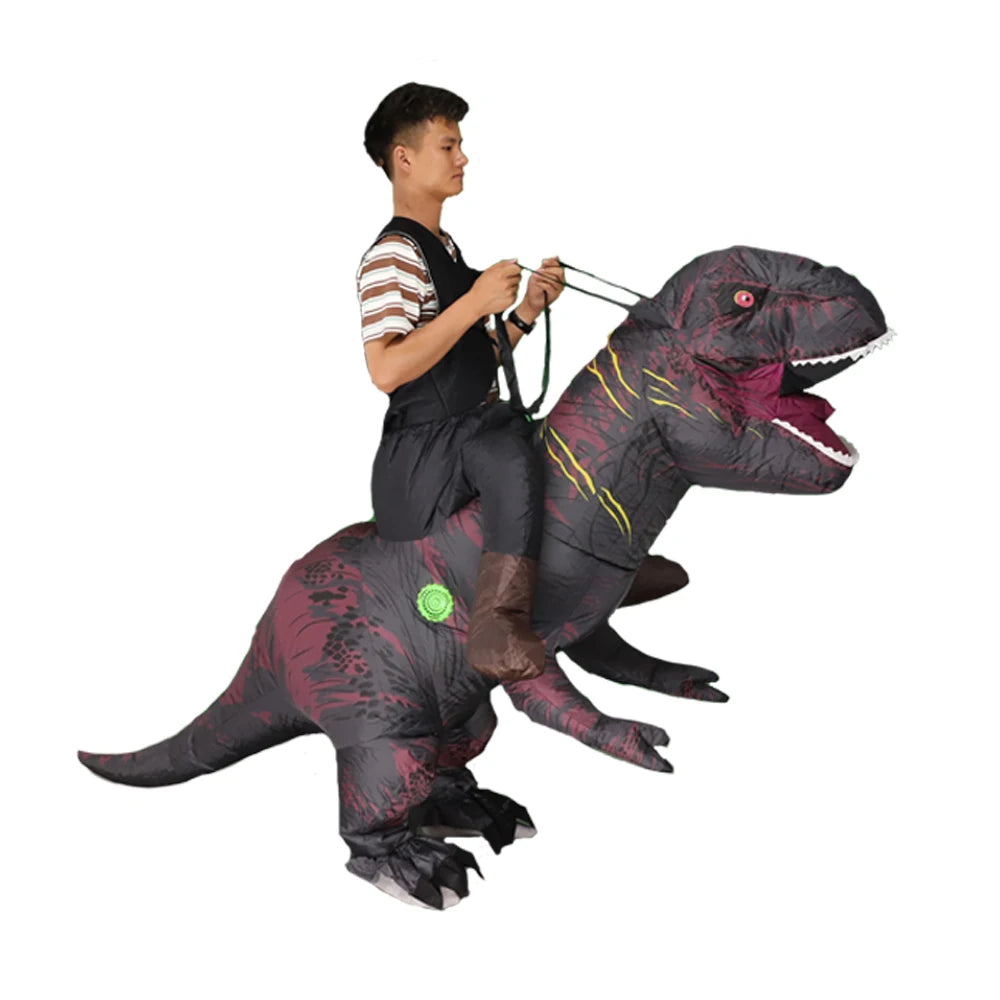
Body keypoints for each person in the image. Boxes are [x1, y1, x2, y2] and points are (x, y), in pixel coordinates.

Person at [356, 81, 565, 682]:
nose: (463, 158)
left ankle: (581, 567)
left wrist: (526, 310)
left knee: (549, 443)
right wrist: (475, 302)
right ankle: (496, 624)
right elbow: (386, 369)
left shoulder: (444, 250)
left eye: (459, 145)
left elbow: (468, 362)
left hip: (463, 429)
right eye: (448, 146)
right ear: (404, 158)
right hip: (424, 452)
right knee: (508, 456)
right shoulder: (392, 257)